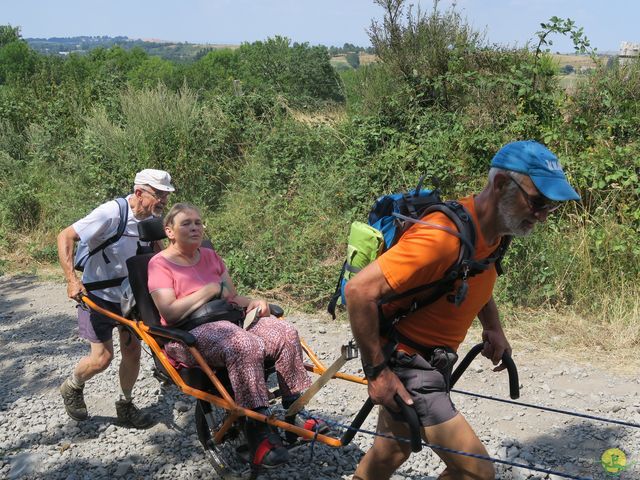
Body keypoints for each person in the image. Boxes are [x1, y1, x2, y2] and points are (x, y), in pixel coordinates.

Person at [345, 140, 581, 480]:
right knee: (476, 473)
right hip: (409, 363)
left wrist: (494, 328)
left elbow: (475, 277)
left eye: (552, 207)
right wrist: (378, 373)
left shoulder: (494, 231)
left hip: (433, 360)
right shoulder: (441, 239)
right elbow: (359, 291)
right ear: (501, 185)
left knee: (390, 450)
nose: (543, 215)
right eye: (538, 201)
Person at [147, 203, 327, 467]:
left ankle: (293, 412)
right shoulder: (158, 264)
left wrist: (254, 300)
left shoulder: (209, 256)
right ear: (169, 231)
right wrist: (209, 290)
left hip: (230, 321)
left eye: (198, 222)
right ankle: (257, 433)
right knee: (243, 343)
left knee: (285, 331)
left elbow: (231, 296)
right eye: (186, 223)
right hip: (187, 334)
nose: (195, 227)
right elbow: (171, 313)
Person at [57, 169, 175, 428]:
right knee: (102, 359)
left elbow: (159, 253)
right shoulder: (111, 213)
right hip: (97, 296)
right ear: (139, 193)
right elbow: (65, 236)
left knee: (132, 351)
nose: (164, 202)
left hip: (130, 297)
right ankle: (72, 386)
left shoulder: (152, 219)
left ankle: (126, 404)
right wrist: (71, 280)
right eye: (160, 195)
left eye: (166, 196)